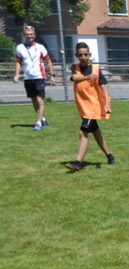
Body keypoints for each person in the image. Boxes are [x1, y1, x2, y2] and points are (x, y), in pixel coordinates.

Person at [65, 42, 115, 172]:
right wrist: (87, 77)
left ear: (90, 55)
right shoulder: (74, 67)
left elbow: (104, 89)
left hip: (93, 108)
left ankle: (78, 162)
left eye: (86, 54)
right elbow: (74, 78)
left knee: (83, 132)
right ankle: (110, 156)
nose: (83, 57)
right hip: (83, 107)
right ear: (76, 55)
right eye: (80, 55)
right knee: (96, 132)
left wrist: (107, 105)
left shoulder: (96, 69)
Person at [13, 25, 55, 131]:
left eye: (31, 34)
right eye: (27, 34)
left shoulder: (40, 47)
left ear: (34, 35)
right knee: (33, 100)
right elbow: (18, 62)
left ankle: (38, 123)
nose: (29, 36)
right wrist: (17, 74)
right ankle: (43, 119)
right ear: (24, 35)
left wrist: (52, 75)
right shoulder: (19, 48)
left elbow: (48, 61)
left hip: (39, 76)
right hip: (28, 78)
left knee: (39, 99)